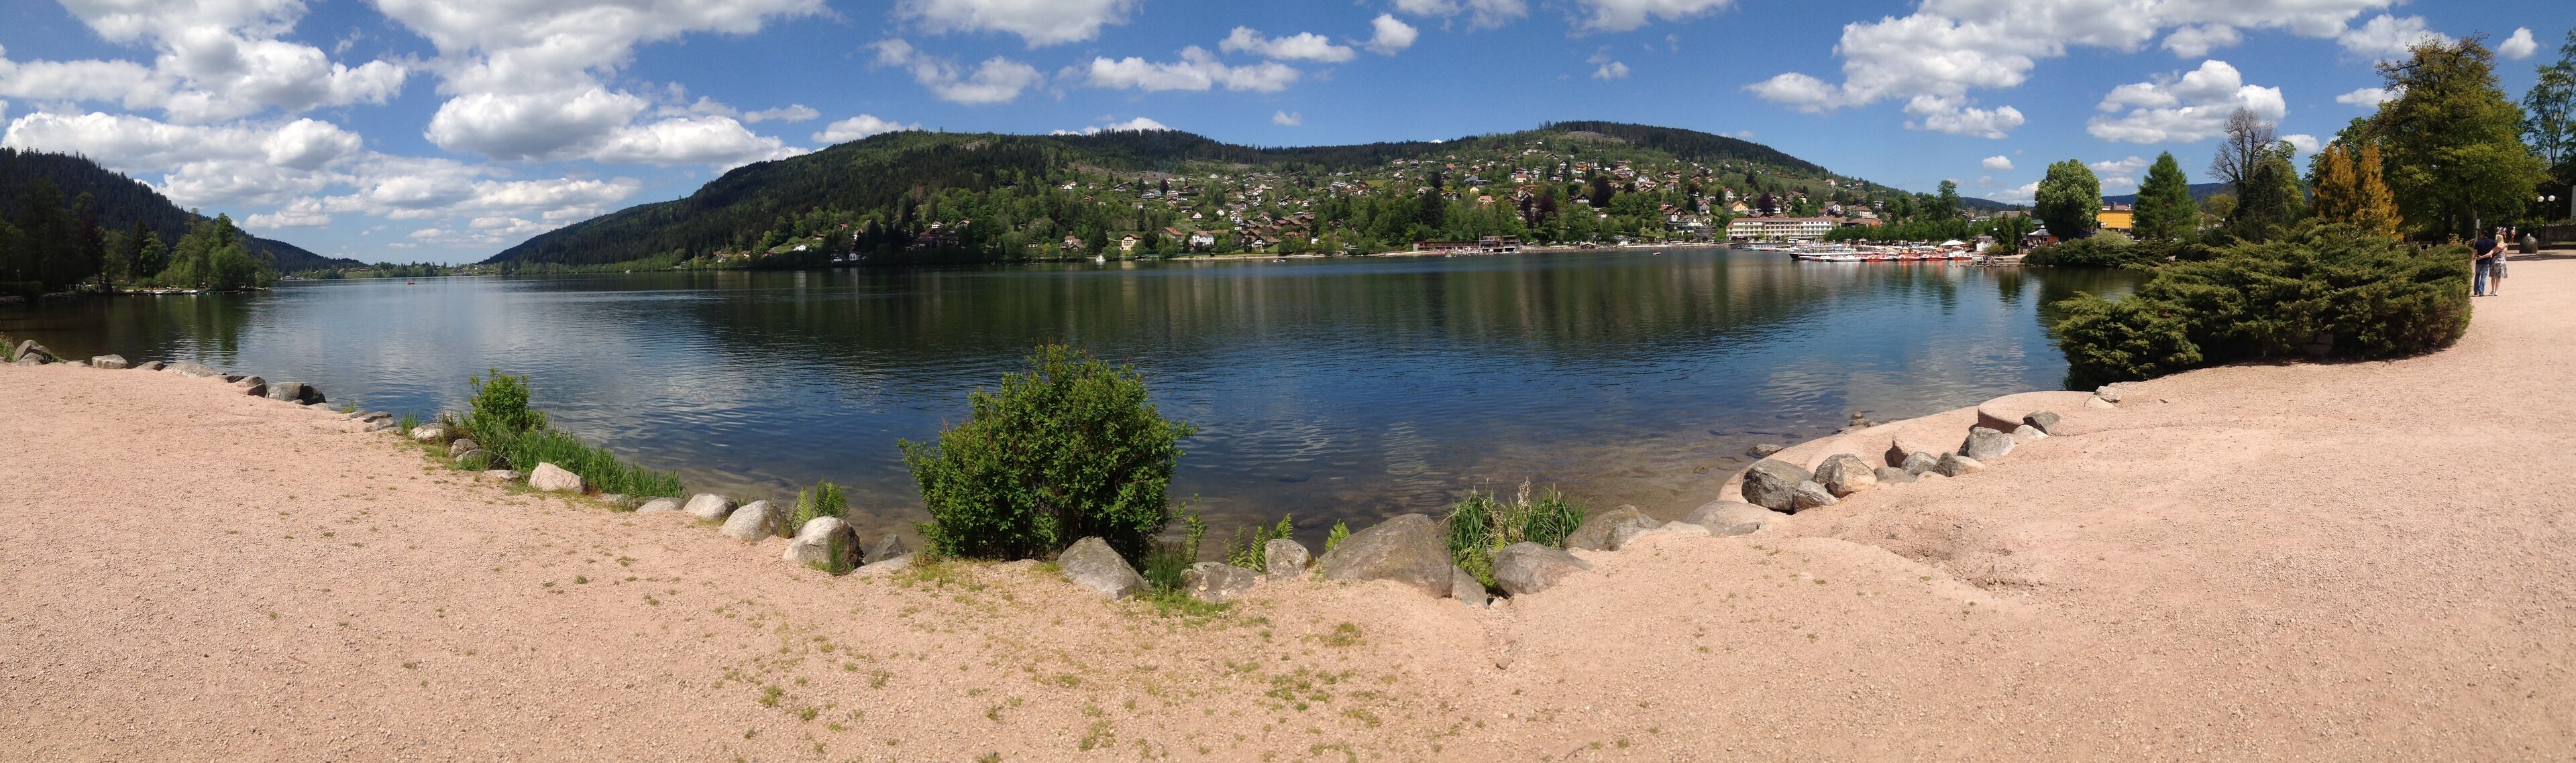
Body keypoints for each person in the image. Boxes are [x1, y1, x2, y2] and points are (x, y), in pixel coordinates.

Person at [2472, 228, 2498, 296]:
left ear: (2483, 234)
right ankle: (2481, 292)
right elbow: (2497, 249)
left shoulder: (2478, 242)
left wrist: (2472, 260)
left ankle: (2476, 291)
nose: (2480, 235)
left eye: (2480, 234)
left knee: (2477, 276)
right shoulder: (2492, 242)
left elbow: (2474, 252)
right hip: (2486, 262)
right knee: (2484, 277)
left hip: (2478, 262)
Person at [2489, 227, 2510, 296]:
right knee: (2499, 278)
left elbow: (2491, 254)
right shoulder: (2505, 247)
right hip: (2502, 262)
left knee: (2493, 277)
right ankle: (2496, 291)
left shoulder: (2495, 246)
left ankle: (2492, 290)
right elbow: (2505, 256)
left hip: (2494, 262)